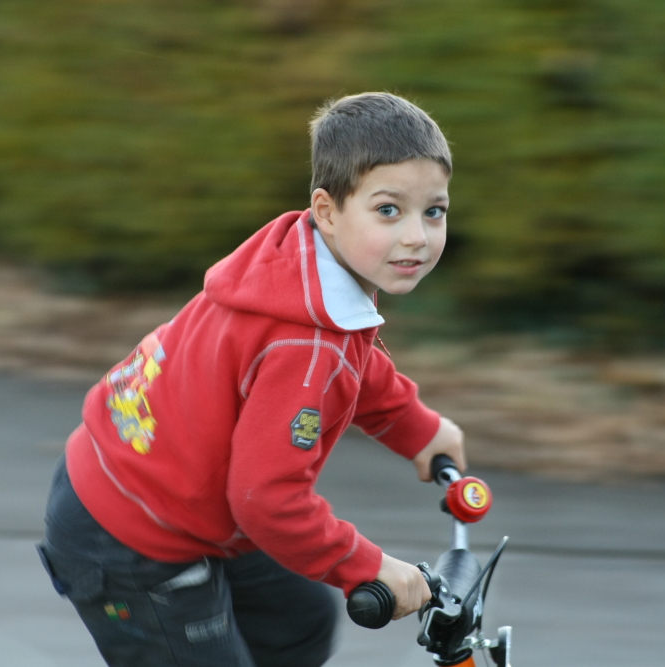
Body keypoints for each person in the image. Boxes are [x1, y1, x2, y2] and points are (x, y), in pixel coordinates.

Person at [38, 91, 466, 667]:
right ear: (328, 210)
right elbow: (265, 500)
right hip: (131, 534)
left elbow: (359, 363)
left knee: (300, 624)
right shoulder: (309, 346)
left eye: (433, 211)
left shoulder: (300, 262)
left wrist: (417, 428)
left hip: (167, 486)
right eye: (389, 210)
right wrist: (369, 566)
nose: (416, 235)